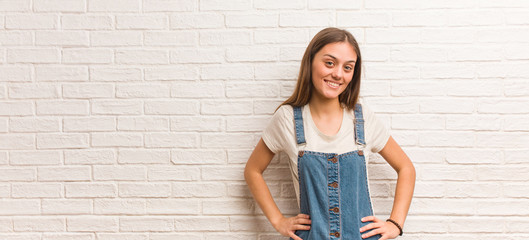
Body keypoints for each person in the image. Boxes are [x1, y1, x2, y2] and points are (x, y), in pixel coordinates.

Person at [244, 27, 416, 240]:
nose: (338, 74)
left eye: (348, 67)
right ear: (310, 61)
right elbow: (253, 170)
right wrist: (278, 221)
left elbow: (406, 168)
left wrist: (395, 224)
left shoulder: (362, 119)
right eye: (329, 63)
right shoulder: (287, 119)